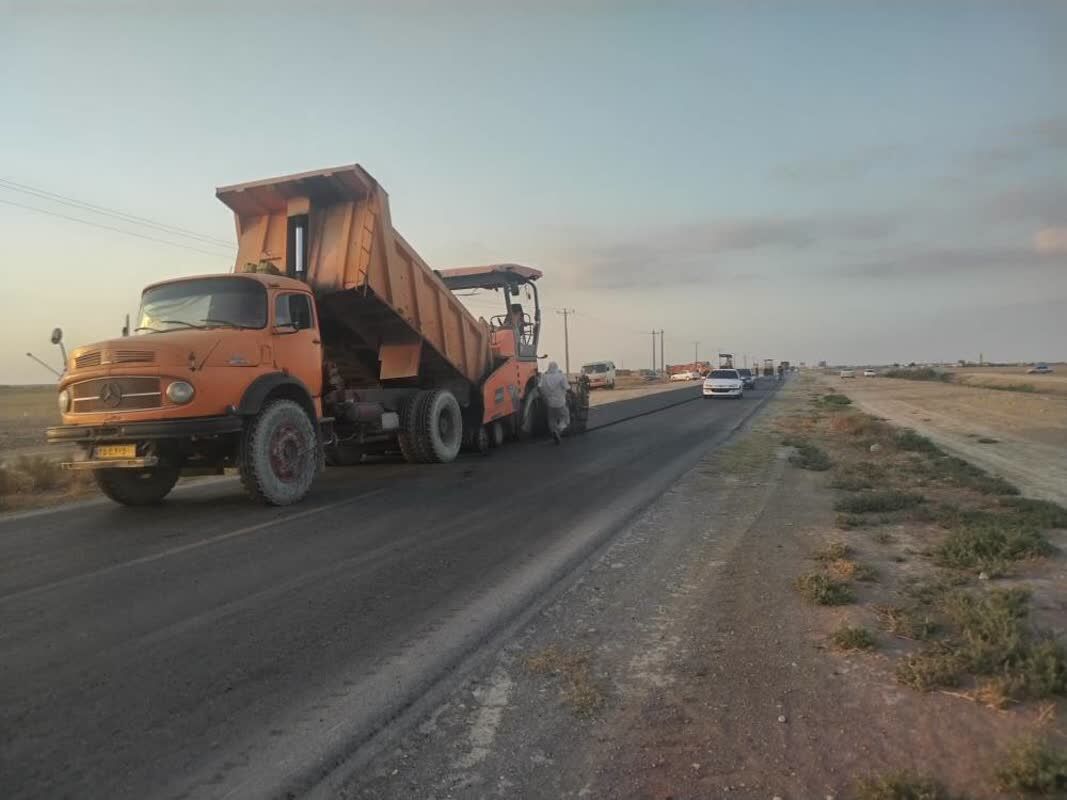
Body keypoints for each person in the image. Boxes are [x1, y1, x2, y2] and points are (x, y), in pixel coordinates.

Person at [539, 361, 570, 444]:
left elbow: (540, 387)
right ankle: (559, 429)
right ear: (556, 367)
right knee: (565, 417)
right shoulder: (561, 376)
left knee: (552, 419)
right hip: (560, 402)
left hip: (550, 403)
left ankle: (553, 431)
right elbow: (567, 387)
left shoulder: (544, 377)